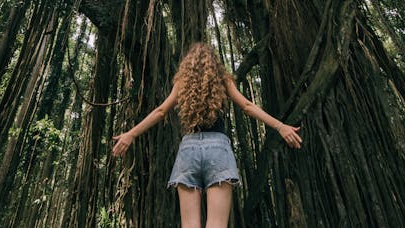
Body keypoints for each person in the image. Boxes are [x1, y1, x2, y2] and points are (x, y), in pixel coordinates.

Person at [112, 42, 302, 228]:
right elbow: (247, 106)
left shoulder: (181, 82)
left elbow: (161, 111)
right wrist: (280, 126)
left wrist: (131, 134)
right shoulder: (223, 79)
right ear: (214, 62)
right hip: (218, 150)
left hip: (188, 150)